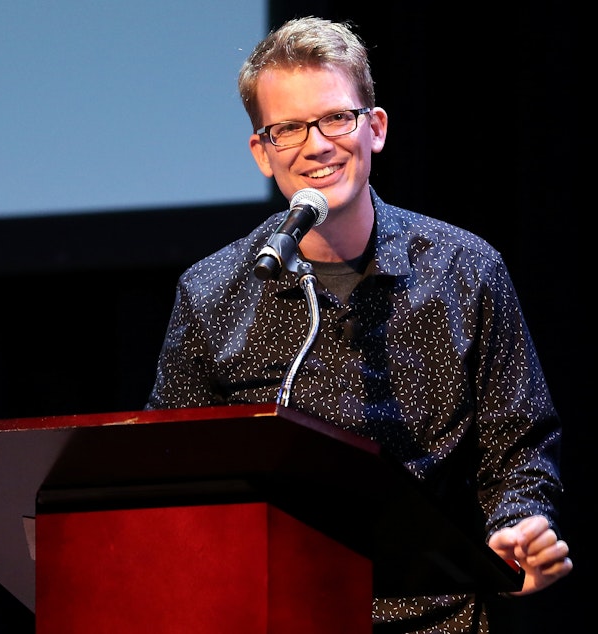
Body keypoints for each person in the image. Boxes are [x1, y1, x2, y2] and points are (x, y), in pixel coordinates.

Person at [145, 15, 572, 633]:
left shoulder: (464, 270)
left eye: (335, 119)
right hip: (267, 613)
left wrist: (518, 525)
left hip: (434, 618)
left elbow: (519, 446)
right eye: (287, 128)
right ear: (262, 153)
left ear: (374, 129)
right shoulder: (211, 292)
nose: (316, 145)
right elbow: (170, 467)